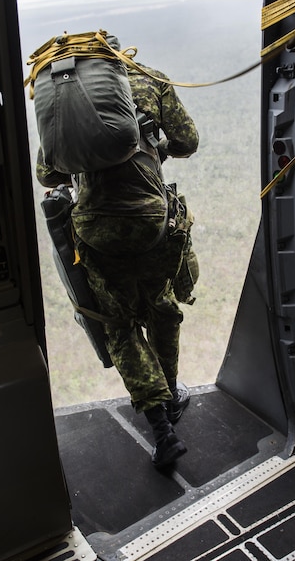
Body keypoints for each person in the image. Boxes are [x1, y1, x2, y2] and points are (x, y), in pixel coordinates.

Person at [35, 35, 200, 468]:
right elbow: (187, 142)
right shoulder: (152, 81)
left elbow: (46, 171)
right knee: (162, 308)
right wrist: (152, 147)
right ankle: (172, 396)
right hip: (151, 227)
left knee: (120, 326)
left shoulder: (67, 103)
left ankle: (161, 431)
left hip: (97, 235)